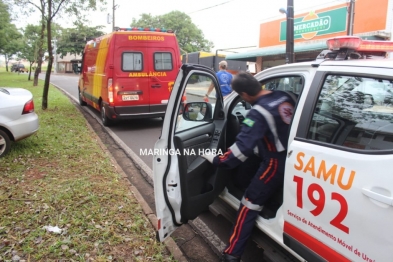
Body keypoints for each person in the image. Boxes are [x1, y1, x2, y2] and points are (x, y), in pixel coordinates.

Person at [202, 72, 296, 262]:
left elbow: (238, 152)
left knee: (248, 205)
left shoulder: (258, 113)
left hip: (274, 163)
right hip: (291, 155)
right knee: (250, 168)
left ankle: (232, 253)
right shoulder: (284, 96)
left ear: (244, 95)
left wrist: (215, 159)